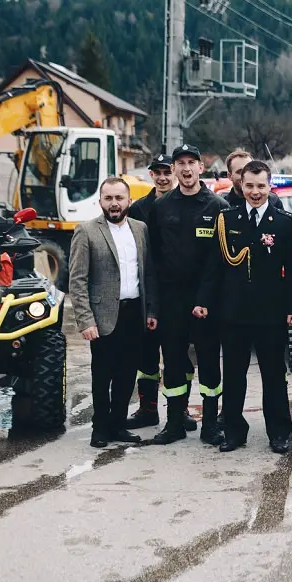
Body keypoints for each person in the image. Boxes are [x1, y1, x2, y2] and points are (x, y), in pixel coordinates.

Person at [198, 161, 292, 454]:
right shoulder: (226, 219)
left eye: (261, 186)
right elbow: (214, 266)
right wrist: (203, 300)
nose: (255, 192)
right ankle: (233, 431)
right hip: (233, 312)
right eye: (249, 186)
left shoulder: (284, 222)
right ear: (240, 186)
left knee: (273, 375)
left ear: (270, 187)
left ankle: (279, 432)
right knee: (233, 375)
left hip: (270, 313)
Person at [145, 144, 228, 447]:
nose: (186, 168)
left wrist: (206, 300)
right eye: (180, 163)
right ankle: (174, 423)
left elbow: (220, 261)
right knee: (174, 362)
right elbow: (153, 259)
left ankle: (210, 426)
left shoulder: (217, 206)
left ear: (200, 167)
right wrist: (155, 305)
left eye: (192, 162)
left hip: (206, 302)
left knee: (208, 362)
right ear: (175, 169)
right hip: (172, 301)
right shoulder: (161, 207)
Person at [68, 177, 159, 448]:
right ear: (100, 202)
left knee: (127, 373)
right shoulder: (86, 231)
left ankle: (118, 424)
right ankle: (101, 427)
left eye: (119, 198)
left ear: (129, 200)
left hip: (135, 314)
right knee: (102, 374)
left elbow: (149, 273)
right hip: (103, 317)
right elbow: (77, 280)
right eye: (108, 198)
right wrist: (85, 320)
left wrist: (151, 310)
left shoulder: (140, 229)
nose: (114, 203)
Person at [125, 153, 182, 430]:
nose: (162, 177)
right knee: (146, 357)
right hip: (146, 291)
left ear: (174, 172)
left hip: (174, 291)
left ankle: (179, 412)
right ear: (151, 174)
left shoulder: (182, 203)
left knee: (178, 358)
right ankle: (148, 410)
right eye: (157, 172)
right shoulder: (138, 209)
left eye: (167, 171)